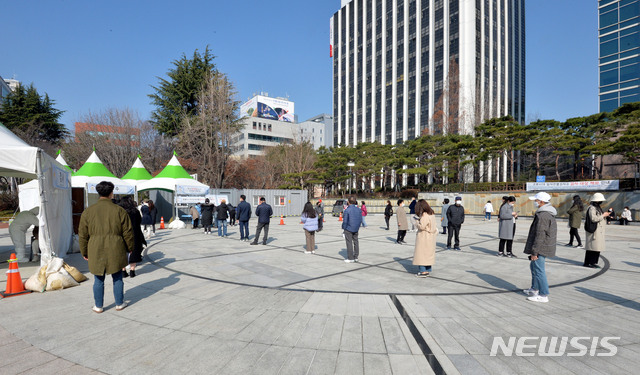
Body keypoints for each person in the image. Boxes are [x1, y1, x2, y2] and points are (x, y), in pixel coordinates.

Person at [79, 181, 134, 313]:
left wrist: (84, 251)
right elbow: (128, 232)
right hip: (116, 246)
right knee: (117, 277)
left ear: (98, 193)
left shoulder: (88, 212)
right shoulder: (119, 211)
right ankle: (119, 303)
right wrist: (129, 247)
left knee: (98, 278)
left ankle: (98, 306)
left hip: (95, 248)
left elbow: (82, 234)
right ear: (111, 193)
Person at [523, 192, 557, 303]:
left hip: (541, 247)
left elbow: (540, 235)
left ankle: (543, 294)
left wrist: (535, 252)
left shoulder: (543, 215)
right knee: (534, 267)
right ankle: (534, 288)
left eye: (536, 200)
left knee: (539, 270)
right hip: (543, 246)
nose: (535, 202)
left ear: (541, 202)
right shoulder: (545, 213)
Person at [118, 196, 146, 278]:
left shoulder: (119, 211)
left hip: (122, 233)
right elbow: (139, 221)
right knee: (134, 252)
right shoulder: (135, 211)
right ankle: (132, 271)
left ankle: (123, 271)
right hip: (135, 233)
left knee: (122, 252)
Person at [413, 199, 438, 277]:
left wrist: (416, 222)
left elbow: (422, 226)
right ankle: (427, 269)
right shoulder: (432, 214)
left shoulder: (425, 215)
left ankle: (423, 271)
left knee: (422, 254)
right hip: (431, 236)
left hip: (424, 236)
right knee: (428, 254)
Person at [584, 193, 609, 268]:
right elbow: (594, 218)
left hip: (598, 231)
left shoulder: (597, 207)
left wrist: (604, 215)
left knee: (597, 248)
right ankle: (589, 263)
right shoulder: (592, 208)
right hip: (594, 231)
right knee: (592, 248)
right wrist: (603, 215)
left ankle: (594, 262)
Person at [342, 196, 362, 262]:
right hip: (356, 228)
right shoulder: (358, 210)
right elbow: (360, 220)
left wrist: (343, 229)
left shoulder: (347, 210)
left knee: (349, 242)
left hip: (348, 228)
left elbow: (345, 221)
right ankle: (356, 256)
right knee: (356, 242)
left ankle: (350, 258)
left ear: (348, 202)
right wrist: (358, 226)